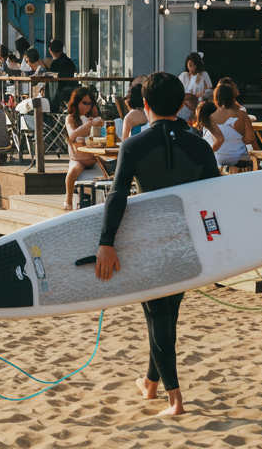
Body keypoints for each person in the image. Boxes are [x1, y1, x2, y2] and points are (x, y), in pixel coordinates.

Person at [93, 71, 220, 417]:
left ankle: (174, 400)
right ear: (182, 105)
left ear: (144, 105)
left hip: (149, 241)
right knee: (167, 312)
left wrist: (107, 241)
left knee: (157, 315)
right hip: (187, 242)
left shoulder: (134, 144)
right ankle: (150, 383)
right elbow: (217, 200)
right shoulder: (200, 145)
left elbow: (117, 194)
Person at [64, 87, 105, 211]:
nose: (87, 106)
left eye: (90, 103)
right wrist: (90, 124)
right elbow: (72, 136)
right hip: (79, 158)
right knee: (73, 171)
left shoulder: (93, 119)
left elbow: (98, 135)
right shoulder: (71, 118)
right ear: (76, 103)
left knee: (109, 168)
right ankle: (68, 198)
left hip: (93, 156)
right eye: (84, 103)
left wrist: (95, 119)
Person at [196, 84, 254, 167]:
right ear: (233, 97)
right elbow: (250, 139)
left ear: (216, 98)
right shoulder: (242, 114)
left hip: (218, 158)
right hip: (239, 158)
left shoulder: (211, 115)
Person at [178, 53, 211, 122]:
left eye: (192, 64)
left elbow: (209, 90)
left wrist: (201, 94)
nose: (190, 66)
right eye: (189, 63)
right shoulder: (183, 76)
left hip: (198, 104)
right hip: (184, 104)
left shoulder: (203, 75)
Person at [46, 39, 78, 108]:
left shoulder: (56, 63)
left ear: (51, 52)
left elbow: (52, 77)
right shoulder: (69, 61)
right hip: (72, 89)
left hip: (60, 92)